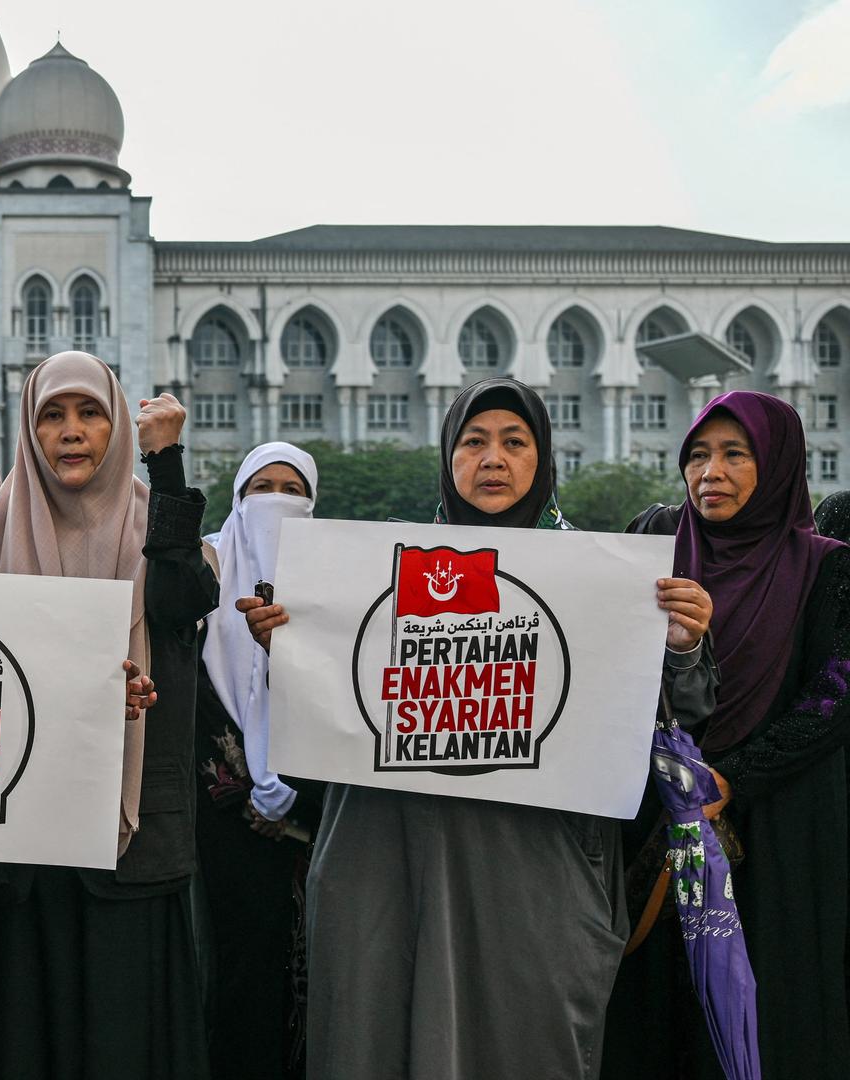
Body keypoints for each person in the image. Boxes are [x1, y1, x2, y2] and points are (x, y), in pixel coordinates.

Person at [240, 377, 716, 1080]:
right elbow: (336, 729)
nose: (492, 459)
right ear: (449, 457)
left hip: (533, 878)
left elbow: (663, 721)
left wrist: (679, 645)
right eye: (473, 441)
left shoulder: (599, 578)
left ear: (543, 460)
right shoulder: (376, 576)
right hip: (391, 861)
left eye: (514, 442)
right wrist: (298, 652)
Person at [0, 351, 216, 1079]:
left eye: (90, 413)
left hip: (128, 846)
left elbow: (183, 599)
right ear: (29, 430)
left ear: (117, 426)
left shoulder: (154, 520)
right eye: (52, 415)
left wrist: (166, 466)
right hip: (27, 853)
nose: (71, 432)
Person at [605, 390, 850, 1079]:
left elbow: (832, 697)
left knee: (764, 1017)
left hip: (773, 832)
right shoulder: (653, 544)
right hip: (657, 826)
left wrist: (730, 778)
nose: (710, 472)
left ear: (776, 465)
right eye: (698, 455)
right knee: (652, 1015)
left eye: (734, 454)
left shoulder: (827, 567)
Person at [196, 441, 323, 1078]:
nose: (276, 500)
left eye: (292, 489)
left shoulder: (335, 587)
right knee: (238, 972)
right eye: (260, 488)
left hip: (318, 827)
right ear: (238, 501)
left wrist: (293, 796)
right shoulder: (208, 583)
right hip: (223, 831)